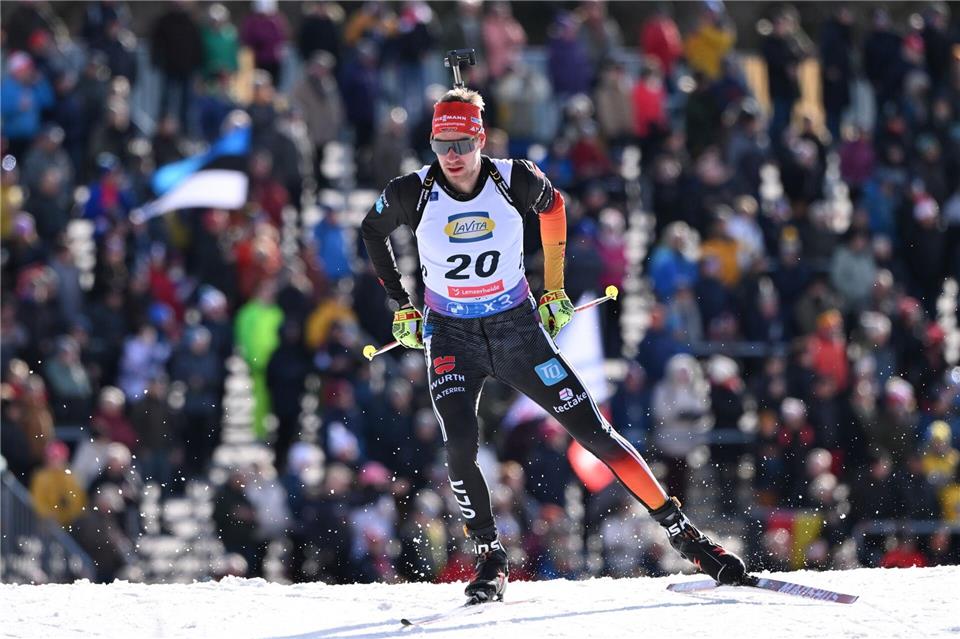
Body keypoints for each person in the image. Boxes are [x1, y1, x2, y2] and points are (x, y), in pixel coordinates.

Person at [360, 85, 746, 603]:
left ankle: (686, 536)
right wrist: (401, 304)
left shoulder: (513, 176)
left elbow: (555, 209)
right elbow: (371, 229)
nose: (452, 156)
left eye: (463, 144)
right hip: (452, 334)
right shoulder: (413, 190)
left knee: (597, 434)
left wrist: (555, 288)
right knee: (458, 444)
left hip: (516, 329)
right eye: (442, 144)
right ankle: (490, 556)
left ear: (480, 139)